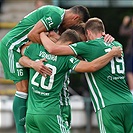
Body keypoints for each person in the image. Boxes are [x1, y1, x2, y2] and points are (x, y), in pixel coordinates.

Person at [0, 5, 90, 133]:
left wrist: (52, 43)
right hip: (12, 47)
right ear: (76, 18)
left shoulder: (56, 16)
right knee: (23, 90)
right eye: (75, 24)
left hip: (24, 48)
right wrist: (50, 49)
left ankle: (28, 125)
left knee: (31, 88)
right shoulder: (56, 16)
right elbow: (32, 34)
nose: (70, 27)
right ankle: (20, 130)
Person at [40, 18, 133, 133]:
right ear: (103, 31)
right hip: (129, 102)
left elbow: (53, 49)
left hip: (108, 105)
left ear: (88, 33)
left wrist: (41, 34)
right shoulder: (117, 45)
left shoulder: (88, 47)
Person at [19, 29, 121, 133]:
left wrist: (32, 63)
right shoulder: (66, 59)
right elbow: (92, 66)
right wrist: (111, 53)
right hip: (50, 113)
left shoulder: (36, 48)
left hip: (31, 114)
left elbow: (21, 57)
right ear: (70, 44)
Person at [119, 15, 133, 94]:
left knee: (129, 72)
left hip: (131, 54)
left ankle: (132, 90)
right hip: (130, 54)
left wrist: (124, 23)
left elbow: (122, 32)